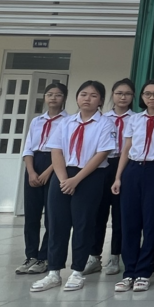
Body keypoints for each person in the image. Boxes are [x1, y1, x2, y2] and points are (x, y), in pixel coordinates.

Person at [31, 80, 116, 293]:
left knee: (83, 224)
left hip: (89, 176)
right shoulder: (66, 122)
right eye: (83, 94)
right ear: (77, 98)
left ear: (101, 101)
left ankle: (78, 271)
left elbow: (102, 154)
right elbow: (56, 151)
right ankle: (53, 272)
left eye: (93, 96)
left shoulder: (105, 124)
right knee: (57, 224)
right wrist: (63, 179)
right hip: (62, 176)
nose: (87, 99)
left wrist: (76, 180)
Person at [112, 79, 154, 293]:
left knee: (151, 222)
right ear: (141, 97)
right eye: (147, 94)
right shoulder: (134, 119)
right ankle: (128, 272)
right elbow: (126, 149)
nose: (152, 97)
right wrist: (118, 177)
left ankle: (143, 272)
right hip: (132, 170)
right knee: (129, 223)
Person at [16, 81, 68, 275]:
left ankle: (44, 257)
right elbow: (28, 147)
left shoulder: (68, 121)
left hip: (55, 165)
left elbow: (65, 150)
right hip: (35, 164)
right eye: (49, 94)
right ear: (45, 98)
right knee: (31, 215)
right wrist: (31, 171)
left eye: (58, 94)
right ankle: (30, 255)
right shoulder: (36, 121)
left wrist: (48, 172)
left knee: (52, 216)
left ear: (64, 98)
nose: (53, 98)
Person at [89, 78, 134, 277]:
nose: (123, 97)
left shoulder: (137, 119)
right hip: (102, 164)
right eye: (119, 93)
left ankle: (115, 256)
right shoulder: (101, 119)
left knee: (120, 213)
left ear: (133, 97)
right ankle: (94, 256)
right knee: (98, 212)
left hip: (125, 165)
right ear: (112, 95)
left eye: (127, 94)